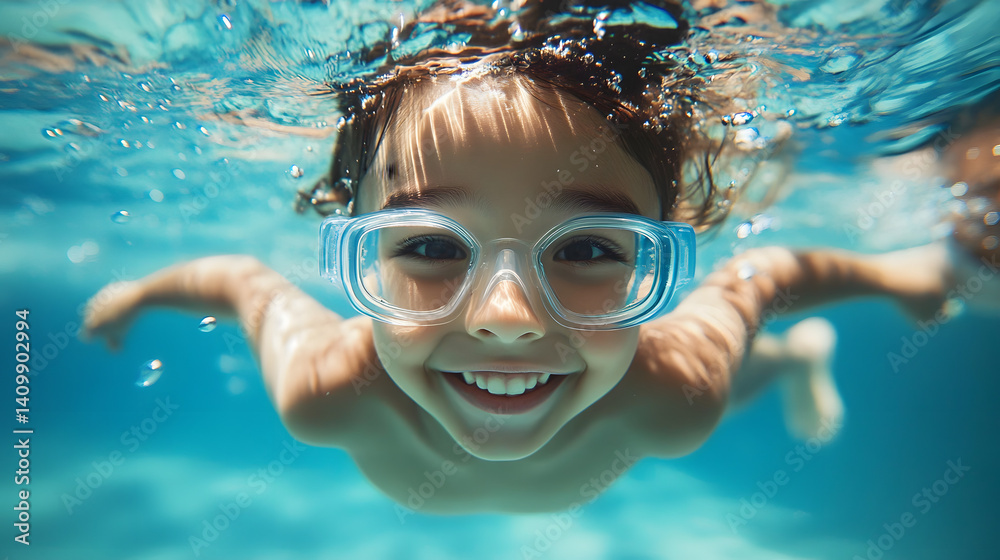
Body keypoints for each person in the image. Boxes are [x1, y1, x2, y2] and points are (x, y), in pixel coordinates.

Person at [82, 0, 968, 514]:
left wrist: (905, 281)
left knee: (722, 380)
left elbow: (762, 277)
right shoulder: (325, 392)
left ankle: (790, 361)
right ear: (356, 250)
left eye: (586, 249)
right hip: (631, 390)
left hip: (651, 389)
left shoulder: (673, 393)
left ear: (658, 253)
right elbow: (242, 283)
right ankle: (787, 361)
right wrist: (136, 294)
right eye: (429, 246)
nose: (506, 318)